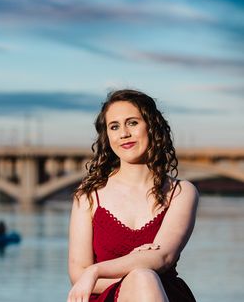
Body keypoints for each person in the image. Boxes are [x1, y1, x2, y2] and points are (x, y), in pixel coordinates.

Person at [67, 89, 198, 302]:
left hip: (164, 293)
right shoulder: (88, 197)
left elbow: (162, 257)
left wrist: (96, 270)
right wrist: (135, 270)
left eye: (133, 123)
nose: (124, 133)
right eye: (114, 126)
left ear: (152, 126)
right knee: (142, 276)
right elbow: (78, 274)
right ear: (107, 136)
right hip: (108, 297)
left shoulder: (181, 192)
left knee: (145, 278)